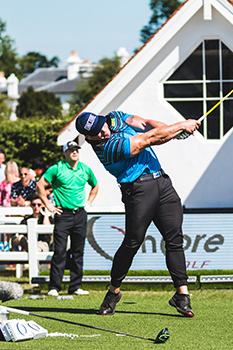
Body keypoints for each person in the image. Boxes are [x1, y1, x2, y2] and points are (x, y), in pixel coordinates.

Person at [75, 110, 200, 317]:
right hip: (138, 190)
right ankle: (113, 291)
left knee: (175, 239)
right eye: (96, 133)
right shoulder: (107, 149)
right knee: (132, 242)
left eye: (101, 127)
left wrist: (174, 131)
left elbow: (148, 125)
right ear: (88, 138)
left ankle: (182, 295)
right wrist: (181, 125)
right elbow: (149, 139)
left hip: (163, 183)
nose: (103, 132)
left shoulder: (114, 117)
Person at [36, 140, 99, 297]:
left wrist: (89, 203)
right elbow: (40, 186)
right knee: (60, 251)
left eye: (76, 149)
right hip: (62, 214)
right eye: (71, 150)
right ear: (65, 153)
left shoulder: (85, 169)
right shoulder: (57, 168)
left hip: (80, 214)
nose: (74, 152)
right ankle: (54, 287)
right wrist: (48, 205)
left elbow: (95, 186)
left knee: (78, 251)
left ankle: (75, 287)